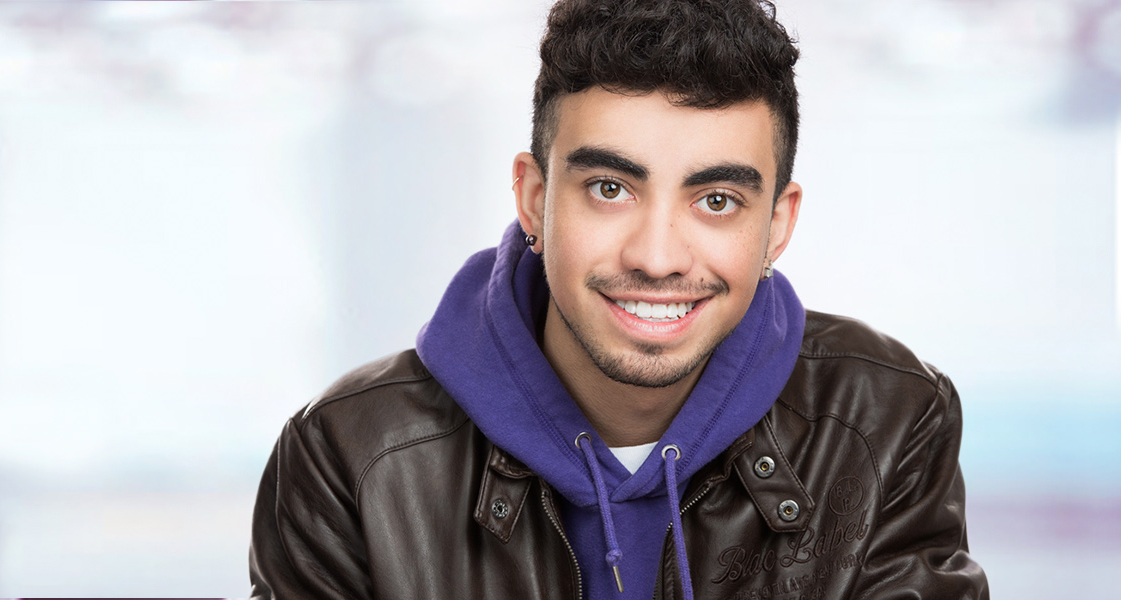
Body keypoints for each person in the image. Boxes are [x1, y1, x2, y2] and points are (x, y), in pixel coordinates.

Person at [249, 0, 989, 598]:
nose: (657, 257)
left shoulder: (886, 419)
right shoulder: (351, 454)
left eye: (719, 199)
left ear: (778, 225)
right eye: (610, 189)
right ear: (534, 200)